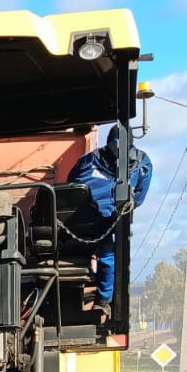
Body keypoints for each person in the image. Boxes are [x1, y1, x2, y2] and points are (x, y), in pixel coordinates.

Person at [66, 127, 152, 319]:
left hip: (79, 223)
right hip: (96, 222)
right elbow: (139, 197)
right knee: (107, 256)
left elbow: (69, 186)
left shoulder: (88, 160)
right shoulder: (142, 164)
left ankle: (102, 300)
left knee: (107, 255)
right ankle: (103, 301)